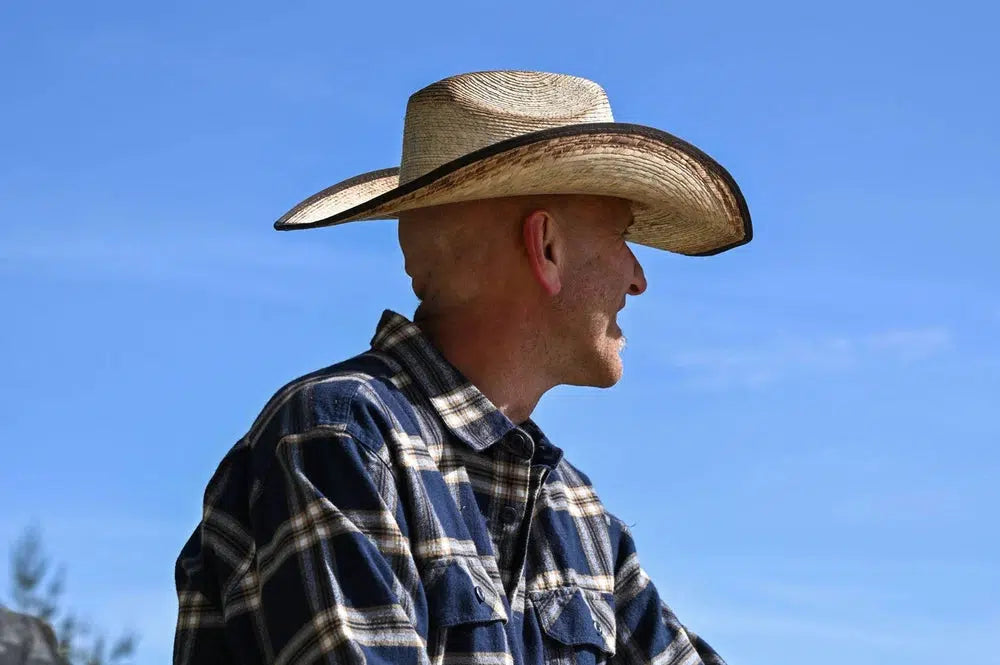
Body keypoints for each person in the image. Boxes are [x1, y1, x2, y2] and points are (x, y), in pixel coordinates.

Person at [174, 70, 752, 665]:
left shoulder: (578, 514)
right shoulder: (340, 437)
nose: (638, 277)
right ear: (546, 247)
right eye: (621, 234)